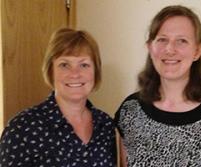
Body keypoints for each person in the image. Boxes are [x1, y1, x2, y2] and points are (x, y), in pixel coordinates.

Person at [114, 5, 201, 167]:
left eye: (182, 41)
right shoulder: (130, 111)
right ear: (150, 47)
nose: (170, 49)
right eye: (162, 39)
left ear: (197, 51)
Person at [0, 28, 117, 166]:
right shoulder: (21, 129)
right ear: (51, 70)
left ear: (95, 71)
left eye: (84, 65)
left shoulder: (106, 125)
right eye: (64, 65)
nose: (75, 74)